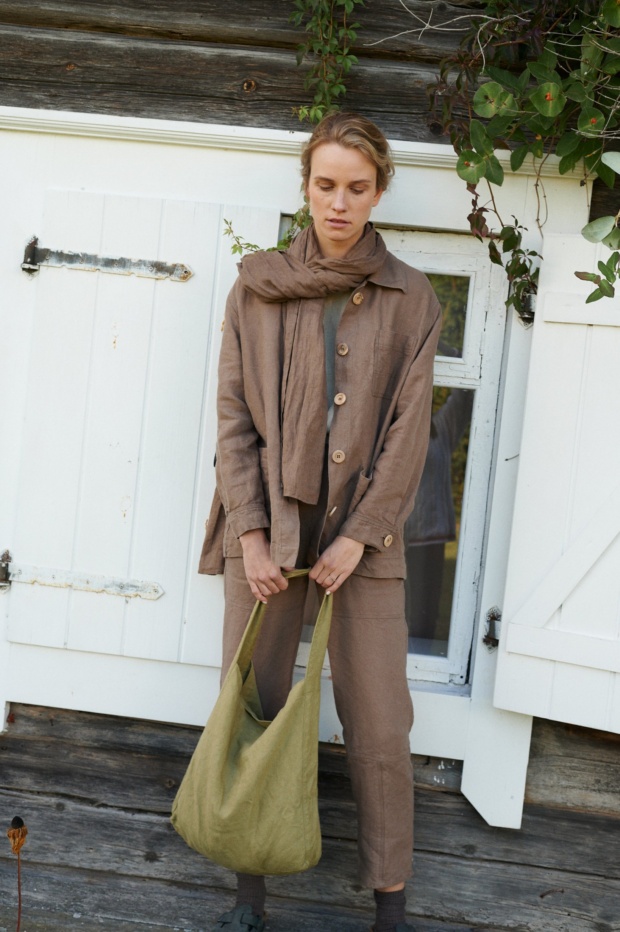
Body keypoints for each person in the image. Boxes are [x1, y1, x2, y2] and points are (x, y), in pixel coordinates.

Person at [199, 111, 442, 932]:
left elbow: (411, 434)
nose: (340, 203)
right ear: (305, 186)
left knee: (379, 722)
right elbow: (233, 417)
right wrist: (251, 535)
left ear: (380, 193)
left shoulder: (413, 298)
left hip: (363, 544)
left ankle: (391, 908)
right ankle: (248, 895)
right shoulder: (257, 286)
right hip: (265, 533)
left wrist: (355, 536)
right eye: (326, 185)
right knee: (255, 705)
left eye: (358, 188)